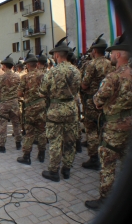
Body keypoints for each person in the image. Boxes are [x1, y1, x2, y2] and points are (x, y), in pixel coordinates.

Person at [85, 33, 132, 210]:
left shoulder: (113, 77)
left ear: (118, 55)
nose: (110, 55)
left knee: (108, 165)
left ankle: (105, 199)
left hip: (114, 128)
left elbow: (98, 101)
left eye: (112, 53)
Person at [39, 37, 81, 182]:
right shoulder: (76, 71)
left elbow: (42, 92)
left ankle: (54, 171)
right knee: (70, 141)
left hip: (55, 110)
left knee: (55, 141)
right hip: (71, 108)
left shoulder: (51, 72)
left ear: (57, 55)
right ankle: (67, 169)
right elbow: (77, 90)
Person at [80, 35, 114, 170]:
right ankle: (105, 153)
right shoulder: (110, 63)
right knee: (102, 128)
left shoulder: (91, 64)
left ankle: (94, 158)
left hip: (92, 102)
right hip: (106, 101)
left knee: (91, 130)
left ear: (94, 50)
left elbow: (84, 85)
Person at [16, 52, 46, 164]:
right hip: (42, 107)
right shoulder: (44, 75)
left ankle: (27, 156)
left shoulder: (25, 77)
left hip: (30, 108)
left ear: (28, 65)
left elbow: (19, 94)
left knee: (29, 132)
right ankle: (42, 154)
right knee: (42, 131)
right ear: (37, 64)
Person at [0, 54, 21, 151]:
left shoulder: (0, 78)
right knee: (16, 123)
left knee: (3, 124)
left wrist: (1, 96)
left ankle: (2, 146)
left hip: (4, 103)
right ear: (12, 66)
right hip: (14, 103)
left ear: (4, 66)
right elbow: (20, 90)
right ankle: (18, 143)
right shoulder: (17, 77)